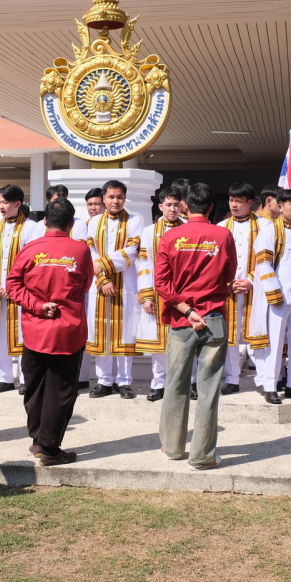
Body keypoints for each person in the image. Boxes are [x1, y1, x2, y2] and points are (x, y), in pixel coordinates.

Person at [6, 197, 95, 466]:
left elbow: (12, 285)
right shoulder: (80, 250)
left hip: (34, 329)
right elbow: (86, 284)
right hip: (67, 331)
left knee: (35, 388)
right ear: (71, 224)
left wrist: (37, 305)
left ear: (45, 221)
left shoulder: (30, 249)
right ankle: (49, 449)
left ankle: (38, 440)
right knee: (61, 391)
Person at [154, 182, 237, 470]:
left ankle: (172, 447)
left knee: (175, 383)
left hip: (181, 319)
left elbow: (161, 284)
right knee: (209, 389)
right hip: (212, 318)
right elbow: (229, 274)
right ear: (212, 207)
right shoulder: (223, 235)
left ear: (185, 206)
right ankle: (202, 456)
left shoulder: (170, 236)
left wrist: (187, 310)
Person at [0, 184, 43, 393]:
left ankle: (25, 379)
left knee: (23, 334)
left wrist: (15, 286)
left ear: (17, 203)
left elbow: (34, 260)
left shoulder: (32, 228)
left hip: (21, 291)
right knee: (1, 334)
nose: (1, 206)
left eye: (5, 202)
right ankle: (5, 377)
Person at [252, 188, 291, 403]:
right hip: (279, 296)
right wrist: (273, 290)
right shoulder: (269, 231)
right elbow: (263, 263)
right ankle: (270, 385)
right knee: (274, 343)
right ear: (279, 206)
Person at [84, 180, 143, 398]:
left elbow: (133, 250)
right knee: (101, 332)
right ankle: (104, 380)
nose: (115, 201)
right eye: (111, 197)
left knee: (125, 332)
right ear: (104, 199)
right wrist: (102, 279)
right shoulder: (94, 222)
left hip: (125, 285)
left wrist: (103, 265)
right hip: (99, 286)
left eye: (120, 197)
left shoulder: (135, 220)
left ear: (125, 198)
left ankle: (124, 381)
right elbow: (90, 252)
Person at [218, 183, 272, 396]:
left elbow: (268, 258)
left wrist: (251, 279)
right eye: (231, 200)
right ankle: (232, 378)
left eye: (239, 201)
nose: (234, 205)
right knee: (231, 334)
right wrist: (228, 283)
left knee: (256, 332)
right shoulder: (222, 226)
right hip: (229, 288)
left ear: (250, 202)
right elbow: (217, 260)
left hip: (255, 288)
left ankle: (262, 379)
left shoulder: (264, 225)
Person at [136, 187, 184, 401]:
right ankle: (159, 384)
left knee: (186, 339)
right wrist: (147, 296)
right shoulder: (150, 231)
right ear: (160, 206)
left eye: (176, 205)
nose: (173, 209)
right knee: (159, 343)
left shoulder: (187, 227)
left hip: (183, 293)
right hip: (158, 293)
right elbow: (144, 264)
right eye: (169, 205)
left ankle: (187, 383)